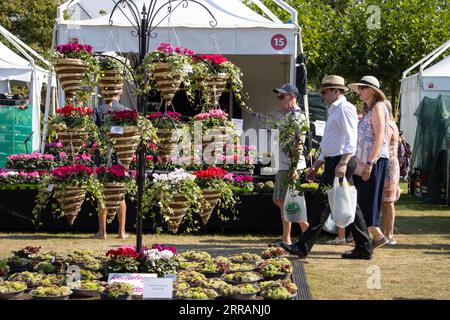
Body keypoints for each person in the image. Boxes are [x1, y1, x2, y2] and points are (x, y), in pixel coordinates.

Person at [281, 75, 373, 260]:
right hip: (334, 161)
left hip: (340, 161)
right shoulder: (334, 109)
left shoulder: (345, 109)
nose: (322, 95)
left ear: (335, 91)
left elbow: (350, 138)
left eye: (325, 91)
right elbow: (329, 142)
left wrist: (344, 162)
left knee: (323, 205)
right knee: (344, 205)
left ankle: (303, 247)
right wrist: (316, 165)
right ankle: (363, 247)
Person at [348, 76, 390, 249]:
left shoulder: (378, 108)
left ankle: (377, 236)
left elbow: (380, 137)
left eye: (363, 88)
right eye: (359, 88)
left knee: (367, 200)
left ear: (372, 91)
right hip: (364, 162)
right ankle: (370, 238)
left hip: (373, 161)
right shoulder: (369, 110)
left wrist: (370, 162)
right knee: (362, 200)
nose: (360, 91)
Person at [269, 83, 309, 247]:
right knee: (281, 200)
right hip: (284, 164)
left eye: (282, 96)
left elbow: (299, 142)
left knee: (284, 200)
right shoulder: (289, 116)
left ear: (293, 96)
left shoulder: (297, 116)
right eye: (279, 96)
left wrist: (293, 166)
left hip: (290, 165)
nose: (280, 100)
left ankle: (306, 228)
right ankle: (286, 237)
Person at [91, 90, 129, 239]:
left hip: (101, 156)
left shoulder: (98, 110)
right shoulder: (125, 111)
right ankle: (121, 232)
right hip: (121, 155)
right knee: (120, 193)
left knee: (102, 193)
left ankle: (102, 232)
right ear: (119, 94)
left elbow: (92, 132)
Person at [381, 100, 401, 245]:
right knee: (384, 202)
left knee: (388, 202)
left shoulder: (389, 126)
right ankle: (385, 233)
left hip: (389, 166)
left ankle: (389, 234)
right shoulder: (391, 124)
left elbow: (384, 144)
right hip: (388, 165)